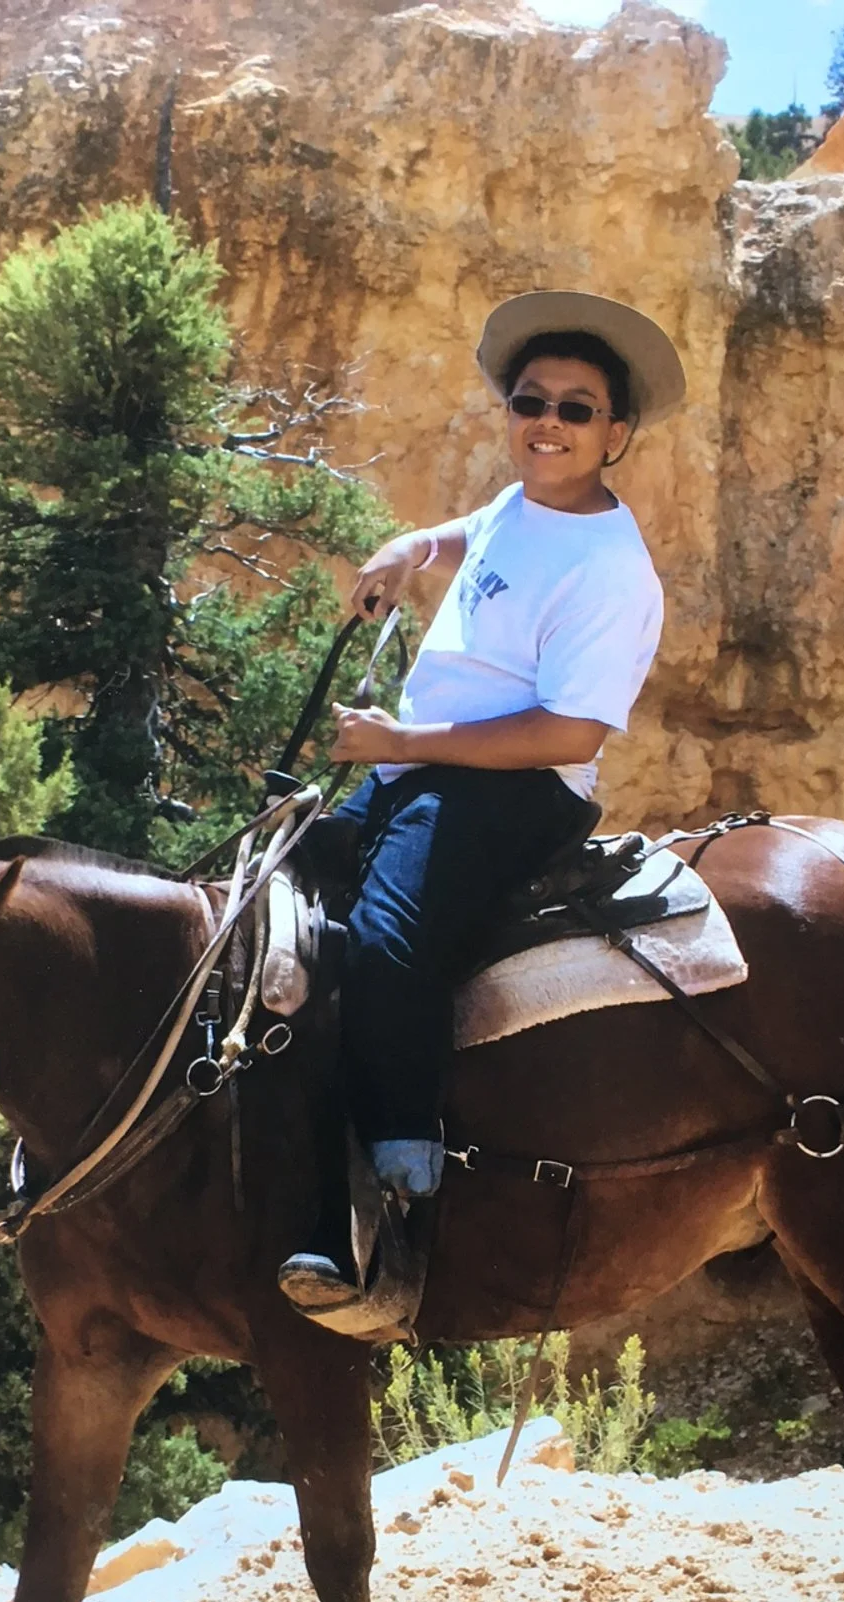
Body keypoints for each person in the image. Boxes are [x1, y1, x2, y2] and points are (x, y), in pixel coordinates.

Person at [277, 291, 683, 1320]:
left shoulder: (611, 570)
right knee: (276, 911)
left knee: (385, 946)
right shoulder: (524, 504)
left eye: (576, 410)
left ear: (616, 435)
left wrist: (401, 743)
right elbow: (473, 538)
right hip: (426, 770)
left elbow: (569, 736)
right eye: (531, 399)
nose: (547, 421)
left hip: (515, 792)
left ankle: (404, 1202)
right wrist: (408, 550)